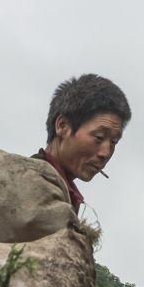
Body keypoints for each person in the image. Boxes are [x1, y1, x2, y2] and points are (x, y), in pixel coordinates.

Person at [37, 74, 130, 212]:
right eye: (99, 137)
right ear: (62, 126)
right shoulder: (31, 186)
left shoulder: (64, 196)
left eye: (114, 141)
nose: (106, 153)